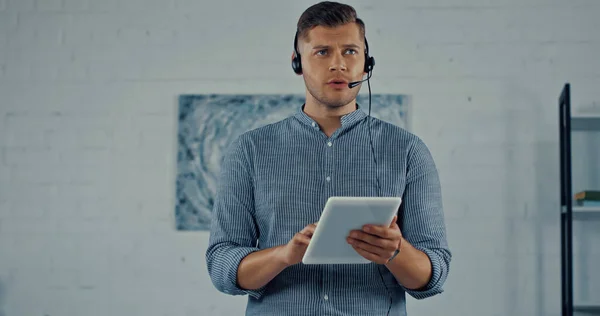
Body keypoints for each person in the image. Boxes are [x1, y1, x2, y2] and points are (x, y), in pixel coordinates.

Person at [205, 2, 451, 315]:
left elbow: (435, 272)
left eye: (350, 51)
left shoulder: (408, 151)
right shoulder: (250, 150)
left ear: (366, 63)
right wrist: (284, 255)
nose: (338, 65)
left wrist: (396, 252)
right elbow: (221, 265)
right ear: (297, 63)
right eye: (322, 52)